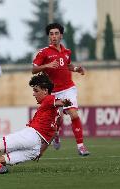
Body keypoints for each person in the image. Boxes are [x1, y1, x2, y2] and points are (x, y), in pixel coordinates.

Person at [32, 23, 89, 156]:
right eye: (51, 34)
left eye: (56, 33)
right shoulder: (44, 52)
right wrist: (47, 65)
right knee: (58, 120)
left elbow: (67, 65)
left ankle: (81, 147)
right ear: (49, 37)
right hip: (53, 92)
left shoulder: (66, 51)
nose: (54, 36)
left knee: (74, 114)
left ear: (61, 35)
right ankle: (56, 134)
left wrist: (76, 69)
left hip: (68, 88)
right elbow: (34, 69)